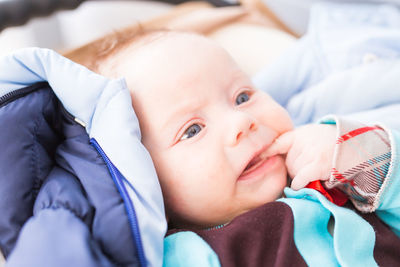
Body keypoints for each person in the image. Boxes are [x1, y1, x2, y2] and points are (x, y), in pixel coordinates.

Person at [88, 5, 400, 265]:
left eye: (242, 97)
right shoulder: (185, 255)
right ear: (147, 179)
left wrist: (362, 155)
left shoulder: (329, 172)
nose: (242, 122)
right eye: (192, 130)